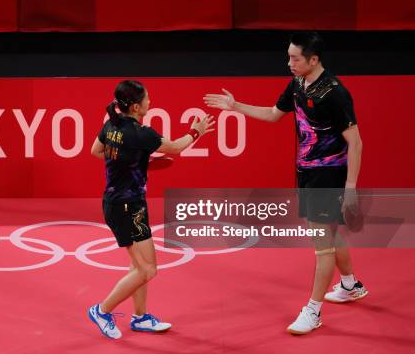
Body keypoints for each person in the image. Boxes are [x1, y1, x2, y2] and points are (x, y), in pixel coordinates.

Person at [204, 32, 367, 335]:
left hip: (328, 175)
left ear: (313, 60)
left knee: (321, 245)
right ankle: (350, 285)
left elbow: (355, 142)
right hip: (306, 172)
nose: (288, 62)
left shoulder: (334, 93)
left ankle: (313, 311)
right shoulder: (298, 84)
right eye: (289, 56)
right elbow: (273, 114)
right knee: (328, 232)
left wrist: (350, 187)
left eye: (295, 58)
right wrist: (235, 106)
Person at [88, 79, 215, 339]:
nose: (150, 102)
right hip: (124, 207)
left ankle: (140, 317)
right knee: (147, 270)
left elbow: (96, 151)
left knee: (140, 268)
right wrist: (196, 131)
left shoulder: (111, 124)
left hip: (128, 203)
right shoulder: (140, 133)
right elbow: (177, 147)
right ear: (135, 106)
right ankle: (101, 310)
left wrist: (132, 163)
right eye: (147, 99)